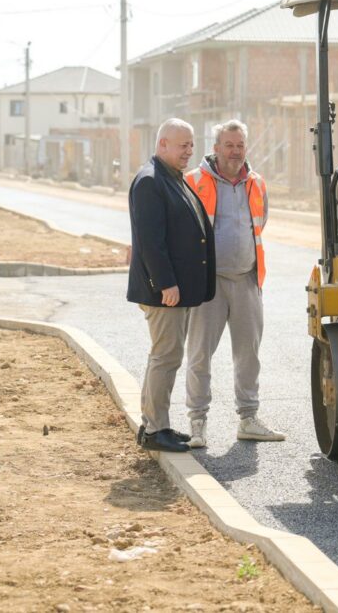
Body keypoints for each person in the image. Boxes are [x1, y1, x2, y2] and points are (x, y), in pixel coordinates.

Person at [183, 120, 285, 447]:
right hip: (207, 285)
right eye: (229, 145)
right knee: (200, 355)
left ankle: (249, 418)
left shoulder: (256, 183)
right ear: (215, 148)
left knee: (249, 355)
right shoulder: (193, 182)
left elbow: (260, 223)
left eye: (240, 145)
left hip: (246, 281)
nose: (235, 151)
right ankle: (197, 423)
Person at [127, 118, 216, 453]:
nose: (189, 151)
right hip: (163, 292)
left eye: (192, 145)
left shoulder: (171, 178)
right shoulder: (150, 181)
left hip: (176, 290)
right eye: (183, 145)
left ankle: (157, 424)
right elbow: (151, 241)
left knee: (166, 356)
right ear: (162, 144)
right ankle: (153, 429)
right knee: (165, 356)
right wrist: (165, 282)